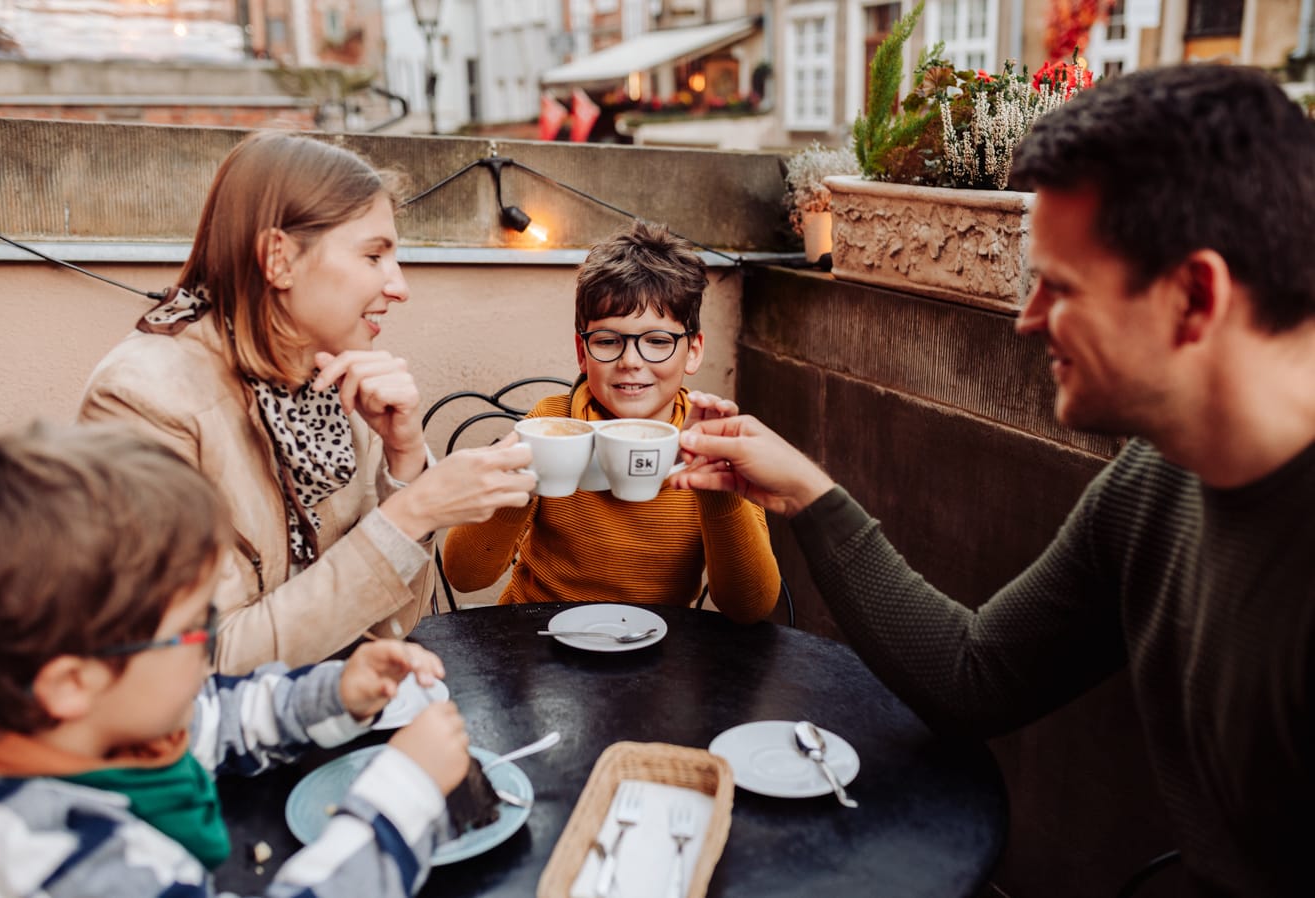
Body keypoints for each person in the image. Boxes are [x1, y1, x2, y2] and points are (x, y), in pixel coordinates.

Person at [671, 64, 1315, 896]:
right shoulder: (1155, 484)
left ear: (1194, 297)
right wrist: (805, 493)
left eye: (1061, 285)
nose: (1026, 317)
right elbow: (975, 678)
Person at [79, 131, 535, 674]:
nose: (399, 287)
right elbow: (188, 665)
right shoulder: (141, 401)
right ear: (279, 258)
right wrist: (411, 512)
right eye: (374, 256)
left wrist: (405, 462)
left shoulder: (333, 384)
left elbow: (393, 626)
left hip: (336, 714)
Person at [0, 421, 473, 898]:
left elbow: (213, 718)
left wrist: (334, 694)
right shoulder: (58, 861)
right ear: (72, 683)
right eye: (193, 629)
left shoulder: (81, 729)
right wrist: (404, 796)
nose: (211, 640)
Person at [441, 221, 780, 622]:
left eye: (657, 341)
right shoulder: (551, 423)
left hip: (655, 651)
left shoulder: (710, 441)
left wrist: (717, 490)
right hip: (536, 642)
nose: (631, 362)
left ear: (693, 351)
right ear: (582, 352)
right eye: (607, 340)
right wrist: (515, 473)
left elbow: (752, 606)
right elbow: (464, 576)